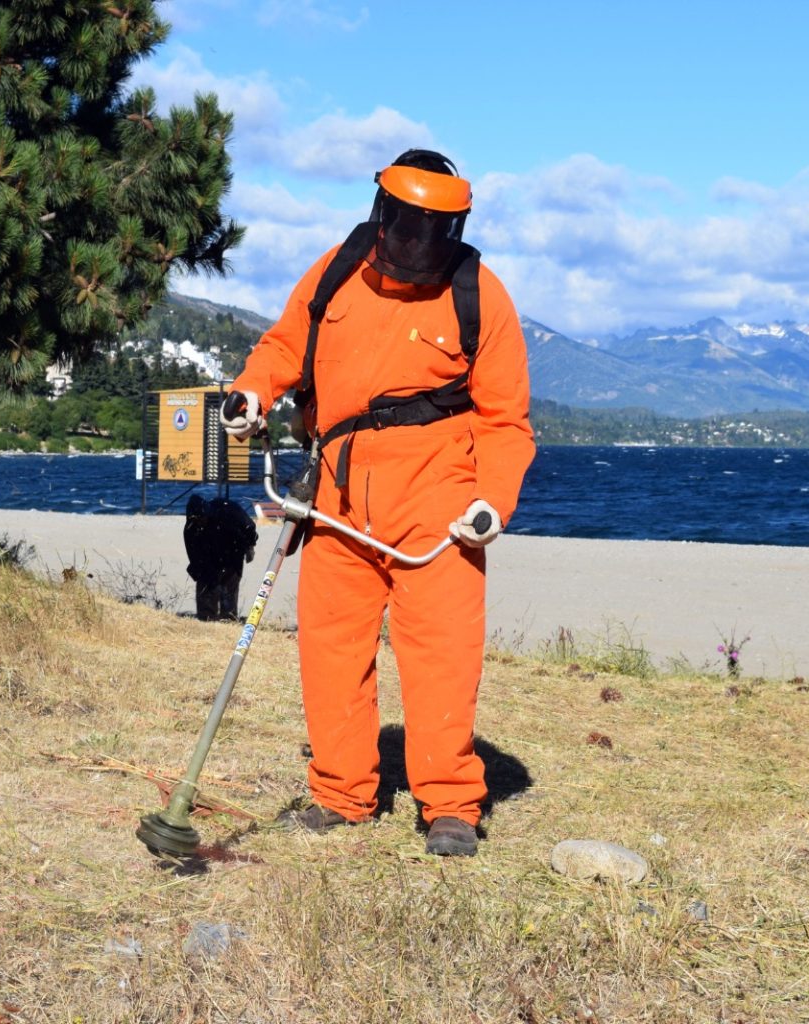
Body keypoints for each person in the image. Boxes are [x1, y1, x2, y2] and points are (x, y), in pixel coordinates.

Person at [221, 148, 535, 857]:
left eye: (432, 227)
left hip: (438, 500)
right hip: (335, 493)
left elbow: (506, 423)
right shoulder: (338, 269)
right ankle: (341, 793)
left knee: (443, 655)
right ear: (382, 211)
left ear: (452, 227)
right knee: (330, 649)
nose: (414, 241)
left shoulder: (479, 295)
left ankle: (451, 805)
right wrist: (252, 392)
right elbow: (282, 347)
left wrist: (492, 504)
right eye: (405, 222)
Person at [183, 494, 258, 620]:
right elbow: (193, 553)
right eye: (196, 521)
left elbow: (249, 527)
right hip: (208, 552)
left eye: (202, 519)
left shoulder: (227, 511)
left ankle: (227, 618)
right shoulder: (191, 528)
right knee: (206, 582)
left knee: (229, 583)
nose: (200, 522)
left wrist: (250, 547)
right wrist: (197, 570)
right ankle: (206, 618)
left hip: (233, 548)